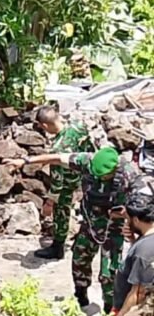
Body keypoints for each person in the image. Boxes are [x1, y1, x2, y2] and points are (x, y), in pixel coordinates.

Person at [5, 146, 140, 314]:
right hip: (91, 222)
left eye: (103, 176)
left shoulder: (130, 174)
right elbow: (57, 157)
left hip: (113, 227)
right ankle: (80, 298)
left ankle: (110, 309)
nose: (99, 178)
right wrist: (24, 161)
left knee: (110, 272)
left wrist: (127, 217)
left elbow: (140, 205)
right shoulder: (87, 160)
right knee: (79, 260)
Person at [34, 106, 93, 259]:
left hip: (68, 182)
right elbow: (90, 147)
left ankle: (57, 247)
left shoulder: (58, 148)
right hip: (87, 174)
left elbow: (57, 183)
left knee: (61, 211)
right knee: (89, 210)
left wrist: (49, 203)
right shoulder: (78, 126)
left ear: (45, 125)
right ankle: (82, 239)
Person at [113, 193, 154, 316]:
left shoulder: (143, 251)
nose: (127, 222)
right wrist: (133, 240)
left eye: (128, 219)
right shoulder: (146, 239)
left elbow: (137, 293)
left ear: (136, 220)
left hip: (127, 310)